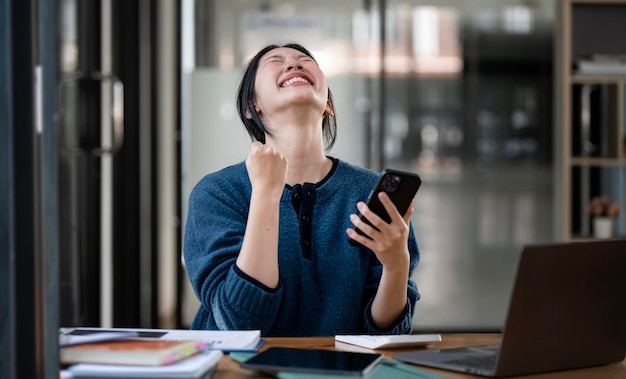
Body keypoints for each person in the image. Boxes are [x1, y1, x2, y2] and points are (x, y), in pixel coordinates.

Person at [183, 43, 420, 337]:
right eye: (276, 61)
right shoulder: (217, 193)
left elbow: (385, 337)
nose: (294, 65)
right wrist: (266, 195)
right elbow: (239, 324)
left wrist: (397, 266)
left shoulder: (368, 191)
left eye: (304, 60)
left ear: (327, 104)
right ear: (250, 106)